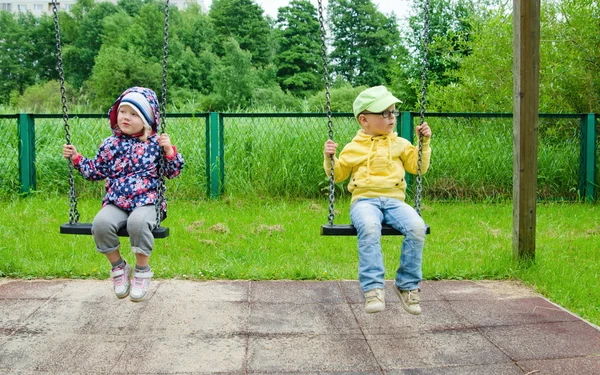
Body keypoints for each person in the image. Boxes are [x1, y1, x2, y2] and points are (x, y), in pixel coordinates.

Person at [63, 87, 184, 302]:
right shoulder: (110, 145)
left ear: (147, 119)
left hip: (147, 202)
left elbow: (173, 172)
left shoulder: (155, 144)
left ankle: (141, 270)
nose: (126, 117)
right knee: (100, 224)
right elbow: (95, 171)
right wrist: (76, 158)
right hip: (117, 202)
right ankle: (118, 267)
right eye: (122, 111)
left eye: (134, 114)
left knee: (137, 223)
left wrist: (169, 152)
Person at [323, 86, 431, 315]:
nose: (392, 117)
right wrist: (330, 157)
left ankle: (407, 286)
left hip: (395, 201)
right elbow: (339, 174)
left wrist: (424, 143)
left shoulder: (400, 143)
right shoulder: (354, 147)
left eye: (393, 112)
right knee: (370, 228)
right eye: (384, 113)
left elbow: (417, 168)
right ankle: (373, 288)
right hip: (365, 201)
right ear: (364, 120)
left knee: (417, 227)